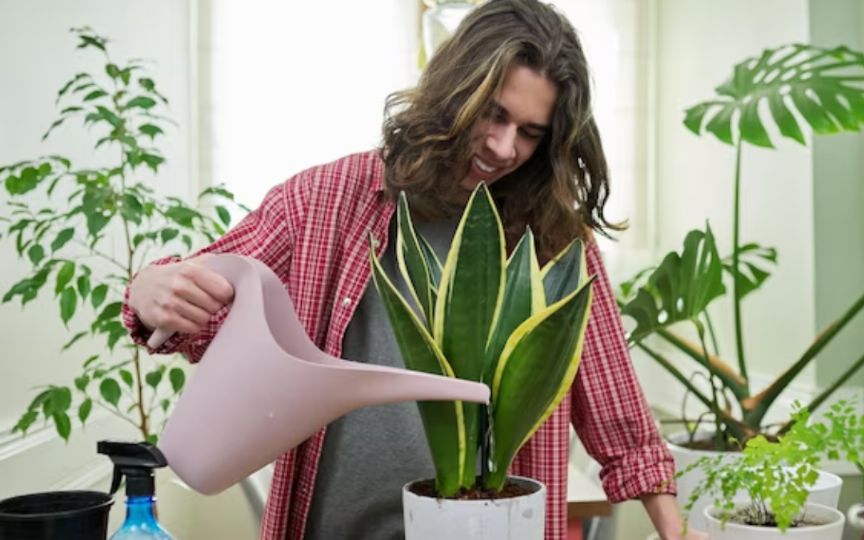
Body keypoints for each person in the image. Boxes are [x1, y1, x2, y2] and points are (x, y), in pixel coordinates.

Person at [123, 1, 707, 539]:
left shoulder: (554, 241)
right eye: (493, 115)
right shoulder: (328, 199)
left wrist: (673, 530)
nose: (504, 147)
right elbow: (205, 304)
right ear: (455, 91)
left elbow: (618, 413)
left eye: (531, 133)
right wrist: (151, 288)